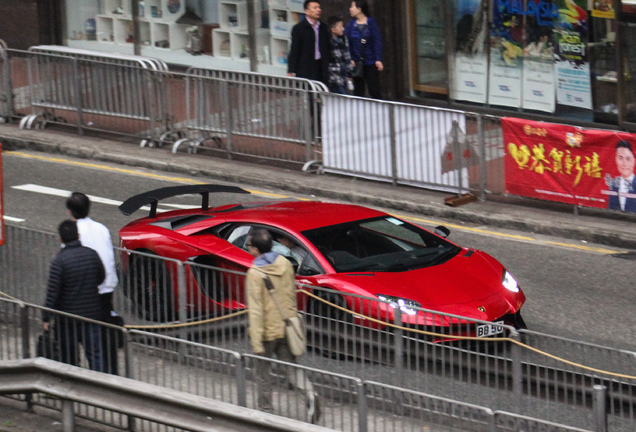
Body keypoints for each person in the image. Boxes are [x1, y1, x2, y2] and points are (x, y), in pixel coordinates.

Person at [244, 229, 320, 423]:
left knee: (262, 373)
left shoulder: (255, 273)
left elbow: (256, 309)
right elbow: (289, 293)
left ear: (256, 249)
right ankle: (310, 394)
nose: (248, 248)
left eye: (250, 246)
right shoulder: (285, 263)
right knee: (292, 368)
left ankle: (265, 410)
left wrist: (256, 340)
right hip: (287, 325)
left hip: (267, 331)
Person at [66, 192, 121, 374]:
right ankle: (110, 371)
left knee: (82, 334)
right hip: (107, 286)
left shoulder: (73, 231)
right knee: (106, 332)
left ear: (70, 211)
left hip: (86, 291)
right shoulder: (101, 228)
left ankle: (86, 372)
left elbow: (69, 263)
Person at [42, 220, 106, 372]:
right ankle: (99, 386)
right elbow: (101, 277)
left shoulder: (59, 261)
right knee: (95, 355)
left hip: (67, 319)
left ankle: (71, 389)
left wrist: (46, 318)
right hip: (91, 316)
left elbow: (53, 293)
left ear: (61, 239)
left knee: (68, 358)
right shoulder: (91, 254)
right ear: (78, 235)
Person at [345, 0, 383, 99]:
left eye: (352, 7)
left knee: (374, 89)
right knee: (358, 91)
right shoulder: (351, 25)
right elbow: (346, 42)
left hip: (370, 61)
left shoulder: (371, 23)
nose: (350, 9)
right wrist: (350, 58)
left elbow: (377, 41)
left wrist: (378, 59)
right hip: (357, 62)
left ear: (359, 9)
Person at [287, 0, 330, 84]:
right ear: (307, 11)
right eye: (315, 8)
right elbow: (294, 50)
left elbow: (327, 46)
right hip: (306, 66)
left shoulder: (323, 27)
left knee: (322, 90)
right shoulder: (299, 28)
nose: (318, 10)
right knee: (308, 91)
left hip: (321, 65)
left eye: (319, 7)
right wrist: (291, 70)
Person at [606, 140, 636, 212]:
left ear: (634, 161)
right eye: (620, 158)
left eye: (628, 159)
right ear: (616, 159)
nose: (624, 163)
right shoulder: (613, 186)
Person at [327, 15, 353, 94]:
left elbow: (347, 57)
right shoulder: (328, 41)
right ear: (333, 30)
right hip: (333, 77)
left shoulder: (344, 40)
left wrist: (349, 74)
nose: (343, 29)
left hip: (343, 77)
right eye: (340, 27)